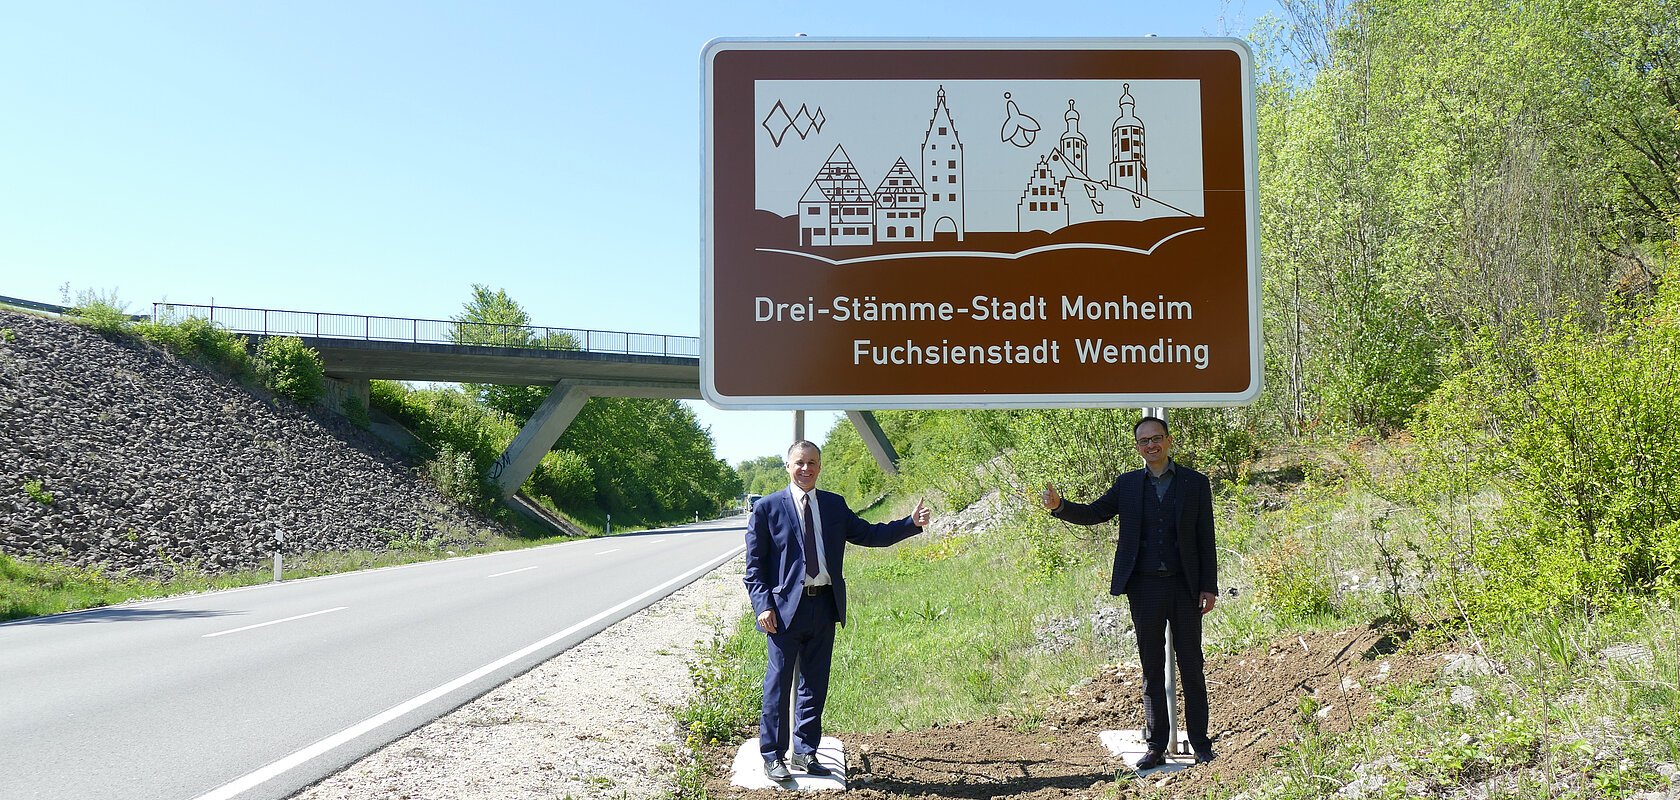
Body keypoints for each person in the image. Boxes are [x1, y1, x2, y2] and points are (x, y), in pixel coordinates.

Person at [745, 439, 931, 781]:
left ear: (820, 466)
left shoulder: (833, 505)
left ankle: (805, 752)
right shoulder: (768, 508)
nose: (806, 468)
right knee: (778, 685)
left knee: (814, 683)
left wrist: (910, 523)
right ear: (788, 466)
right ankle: (773, 755)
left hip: (824, 604)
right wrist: (763, 606)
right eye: (799, 462)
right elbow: (754, 567)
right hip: (783, 612)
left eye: (812, 462)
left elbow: (870, 534)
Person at [1040, 416, 1218, 768]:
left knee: (1192, 666)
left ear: (1168, 440)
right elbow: (1095, 513)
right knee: (1151, 667)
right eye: (1144, 441)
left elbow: (1205, 538)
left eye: (1156, 438)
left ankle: (1200, 743)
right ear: (1137, 447)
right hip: (1144, 587)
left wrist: (1208, 586)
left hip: (1185, 588)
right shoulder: (1127, 485)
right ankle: (1156, 745)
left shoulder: (1195, 483)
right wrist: (1060, 507)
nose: (1151, 445)